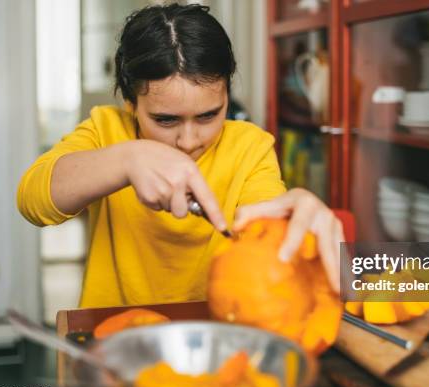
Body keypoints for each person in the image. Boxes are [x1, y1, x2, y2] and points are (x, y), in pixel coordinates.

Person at [17, 3, 343, 308]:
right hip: (114, 336)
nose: (188, 141)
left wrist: (295, 224)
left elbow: (268, 234)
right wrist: (126, 160)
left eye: (208, 116)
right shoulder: (107, 131)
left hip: (218, 330)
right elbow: (32, 201)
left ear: (227, 96)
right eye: (165, 120)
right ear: (130, 103)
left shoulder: (250, 146)